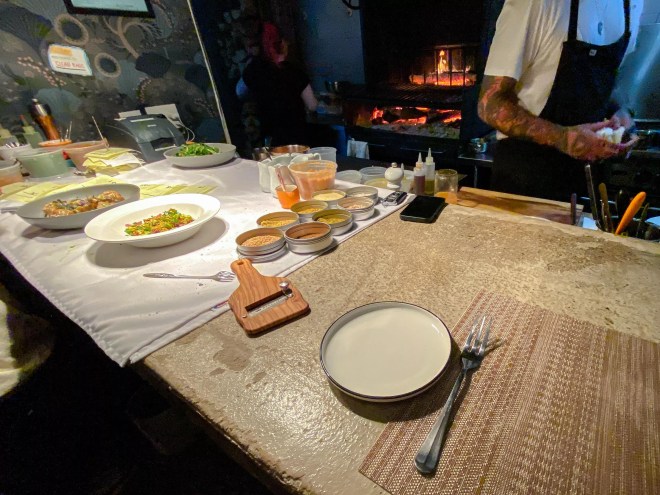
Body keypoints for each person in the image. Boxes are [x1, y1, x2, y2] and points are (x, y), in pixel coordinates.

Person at [478, 0, 643, 201]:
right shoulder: (535, 4)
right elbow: (489, 104)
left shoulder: (632, 5)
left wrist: (621, 113)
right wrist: (564, 138)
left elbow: (607, 81)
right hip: (526, 180)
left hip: (588, 180)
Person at [240, 21, 317, 146]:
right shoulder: (295, 72)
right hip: (295, 138)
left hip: (269, 139)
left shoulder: (252, 70)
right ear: (281, 44)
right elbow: (312, 105)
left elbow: (240, 92)